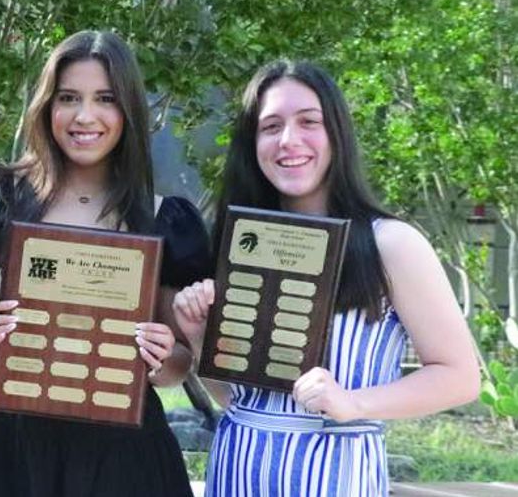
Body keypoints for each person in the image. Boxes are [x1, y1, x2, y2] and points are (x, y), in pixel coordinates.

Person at [173, 60, 481, 496]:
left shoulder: (390, 243)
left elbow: (460, 377)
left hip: (336, 476)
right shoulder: (243, 243)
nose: (289, 140)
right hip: (236, 469)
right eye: (271, 126)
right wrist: (200, 336)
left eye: (308, 122)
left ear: (336, 132)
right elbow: (240, 399)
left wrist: (355, 403)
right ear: (252, 142)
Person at [0, 30, 210, 497]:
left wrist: (159, 353)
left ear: (127, 110)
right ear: (47, 106)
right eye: (68, 97)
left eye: (104, 99)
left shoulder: (164, 217)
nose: (84, 116)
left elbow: (178, 366)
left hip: (124, 460)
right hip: (11, 454)